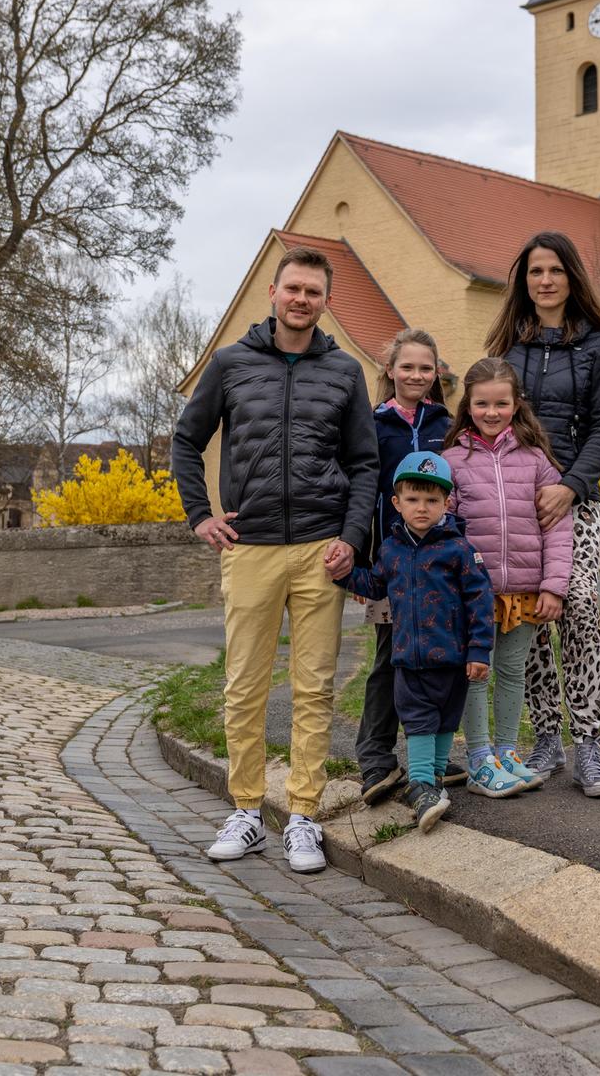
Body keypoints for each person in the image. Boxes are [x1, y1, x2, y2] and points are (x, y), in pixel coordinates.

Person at [172, 245, 380, 873]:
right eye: (293, 288)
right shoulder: (231, 363)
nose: (301, 300)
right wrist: (200, 515)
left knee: (314, 687)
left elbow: (365, 462)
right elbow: (186, 440)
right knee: (245, 687)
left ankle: (303, 816)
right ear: (273, 291)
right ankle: (246, 810)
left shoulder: (344, 372)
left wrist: (351, 536)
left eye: (313, 292)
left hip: (321, 549)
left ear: (325, 301)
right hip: (251, 547)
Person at [483, 231, 600, 797]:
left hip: (575, 500)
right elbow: (489, 416)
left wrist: (570, 486)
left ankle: (589, 744)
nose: (545, 281)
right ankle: (546, 738)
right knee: (529, 618)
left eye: (555, 271)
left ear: (572, 278)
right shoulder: (506, 345)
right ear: (524, 281)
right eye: (535, 271)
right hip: (517, 501)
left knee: (579, 606)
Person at [341, 452, 494, 833]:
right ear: (397, 502)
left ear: (446, 503)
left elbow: (480, 602)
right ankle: (421, 786)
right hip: (408, 658)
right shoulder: (391, 549)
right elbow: (375, 584)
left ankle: (435, 781)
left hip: (453, 658)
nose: (422, 507)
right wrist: (343, 574)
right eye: (412, 499)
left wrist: (478, 651)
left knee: (445, 721)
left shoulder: (459, 550)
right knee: (419, 721)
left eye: (431, 500)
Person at [443, 358, 572, 798]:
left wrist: (553, 586)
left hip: (524, 590)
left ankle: (506, 752)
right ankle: (480, 760)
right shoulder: (452, 461)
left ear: (516, 404)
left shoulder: (536, 460)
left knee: (513, 671)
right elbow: (443, 531)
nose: (492, 412)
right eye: (482, 404)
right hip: (472, 594)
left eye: (501, 403)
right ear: (468, 405)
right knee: (476, 672)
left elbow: (558, 528)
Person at [353, 329, 465, 807]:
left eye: (425, 368)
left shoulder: (446, 424)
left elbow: (458, 489)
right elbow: (361, 491)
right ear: (390, 370)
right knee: (389, 658)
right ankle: (376, 757)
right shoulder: (373, 423)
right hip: (392, 561)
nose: (416, 375)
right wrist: (361, 556)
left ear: (436, 372)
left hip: (439, 563)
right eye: (408, 367)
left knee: (439, 657)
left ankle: (432, 757)